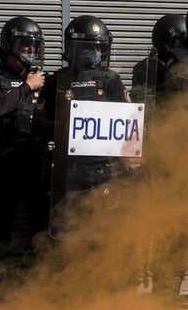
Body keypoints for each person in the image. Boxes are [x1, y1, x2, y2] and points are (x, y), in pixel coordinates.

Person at [43, 14, 129, 235]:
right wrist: (62, 127)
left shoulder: (111, 80)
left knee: (104, 225)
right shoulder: (58, 80)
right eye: (91, 48)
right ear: (74, 49)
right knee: (68, 226)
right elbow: (40, 122)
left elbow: (126, 122)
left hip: (103, 167)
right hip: (68, 168)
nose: (96, 52)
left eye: (99, 47)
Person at [0, 16, 50, 253]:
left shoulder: (42, 79)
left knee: (40, 216)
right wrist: (28, 87)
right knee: (2, 217)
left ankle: (42, 266)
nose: (31, 51)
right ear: (10, 45)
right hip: (5, 159)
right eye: (25, 45)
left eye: (34, 46)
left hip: (36, 158)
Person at [131, 13, 187, 103]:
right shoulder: (147, 68)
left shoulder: (187, 67)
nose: (184, 47)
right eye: (181, 42)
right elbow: (141, 100)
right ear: (167, 42)